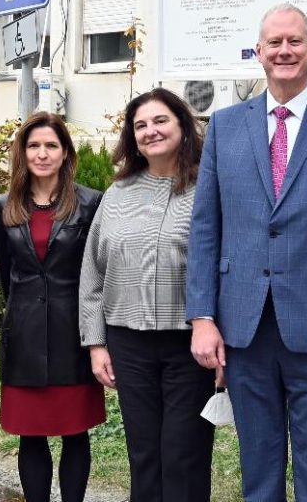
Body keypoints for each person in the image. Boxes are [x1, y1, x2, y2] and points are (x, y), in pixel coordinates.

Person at [187, 3, 307, 502]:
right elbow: (206, 227)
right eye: (274, 42)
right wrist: (203, 317)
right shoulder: (224, 126)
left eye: (295, 41)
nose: (284, 51)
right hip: (245, 328)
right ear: (259, 52)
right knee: (259, 470)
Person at [79, 88, 214, 502]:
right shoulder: (117, 194)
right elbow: (93, 272)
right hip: (129, 344)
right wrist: (96, 344)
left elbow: (226, 265)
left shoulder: (209, 187)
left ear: (183, 126)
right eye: (140, 125)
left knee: (183, 454)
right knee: (143, 455)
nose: (150, 131)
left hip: (188, 344)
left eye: (160, 121)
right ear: (132, 138)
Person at [0, 112, 105, 502]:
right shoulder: (4, 206)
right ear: (22, 152)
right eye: (34, 145)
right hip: (24, 335)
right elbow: (6, 273)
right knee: (31, 433)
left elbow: (96, 271)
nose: (42, 154)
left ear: (65, 152)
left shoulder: (90, 203)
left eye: (51, 145)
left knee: (76, 431)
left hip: (73, 333)